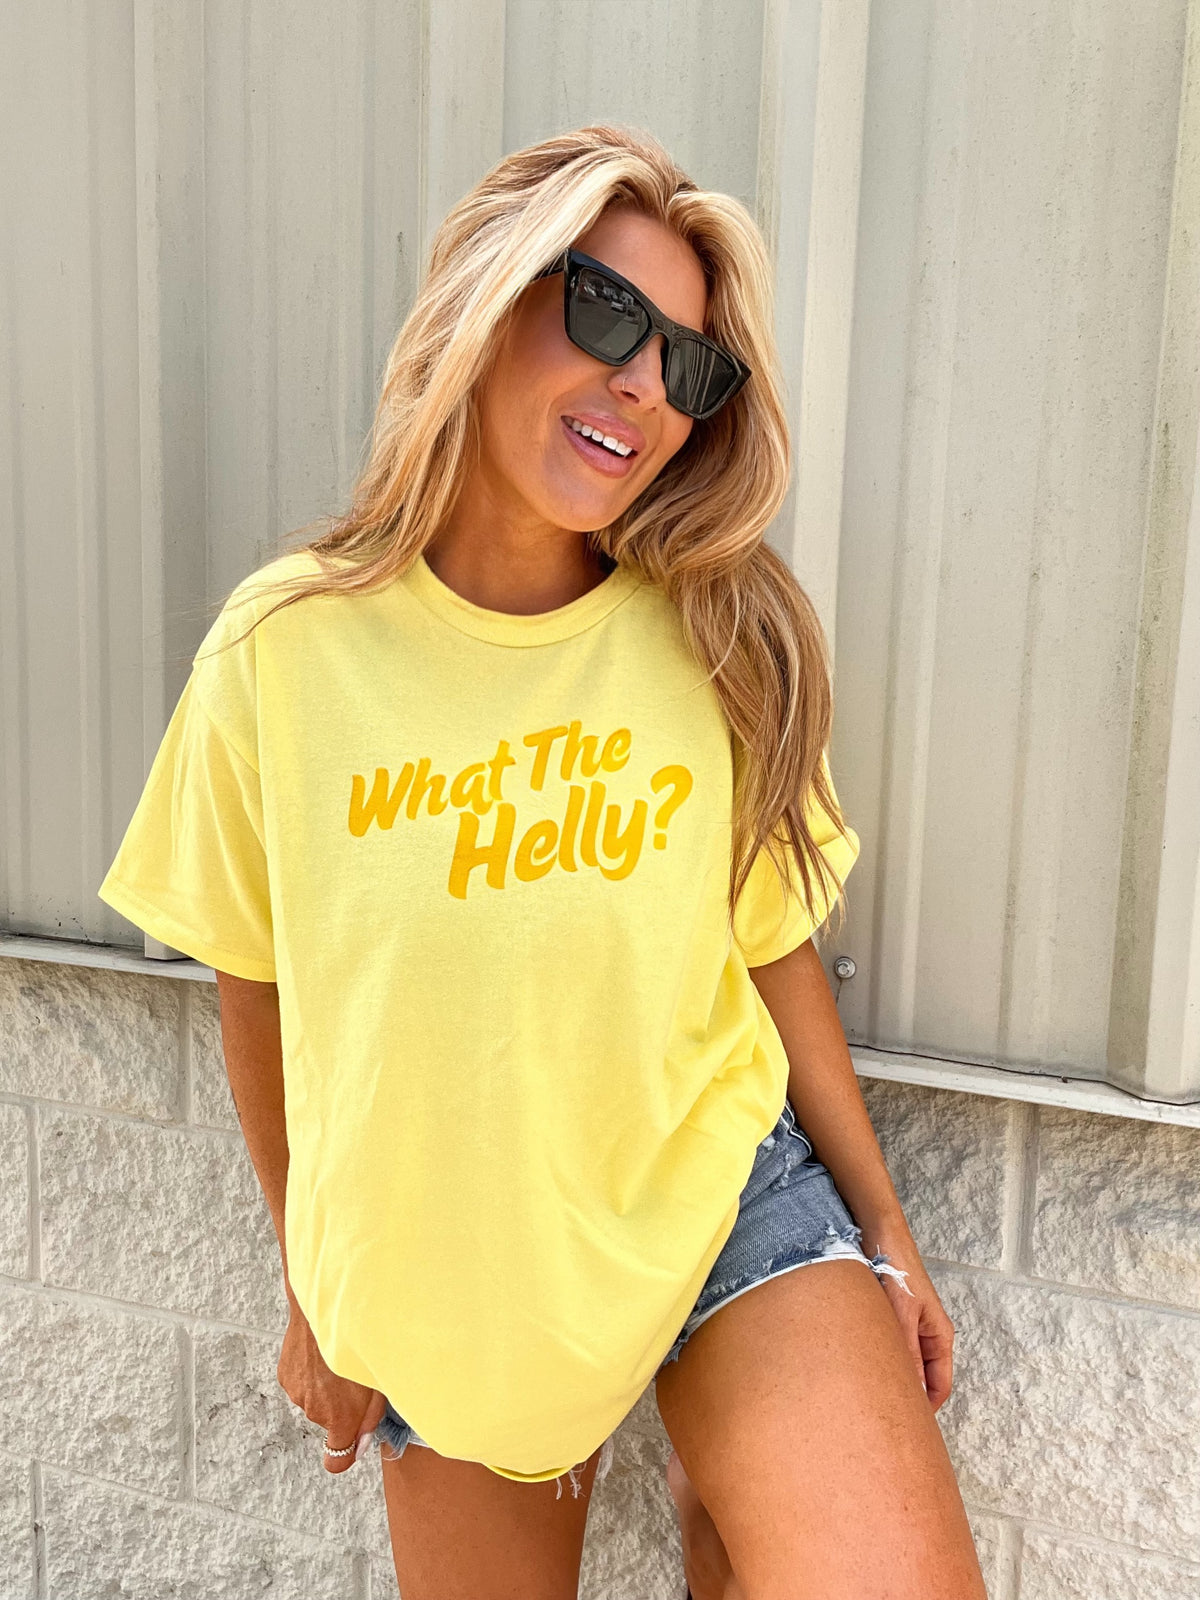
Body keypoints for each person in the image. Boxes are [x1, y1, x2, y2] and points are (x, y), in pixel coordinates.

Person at [97, 124, 986, 1600]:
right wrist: (317, 1283)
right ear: (492, 296)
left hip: (718, 1202)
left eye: (689, 368)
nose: (645, 387)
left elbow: (770, 943)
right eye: (607, 313)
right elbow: (257, 982)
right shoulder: (284, 648)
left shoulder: (716, 637)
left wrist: (883, 1229)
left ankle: (725, 1480)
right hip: (450, 1263)